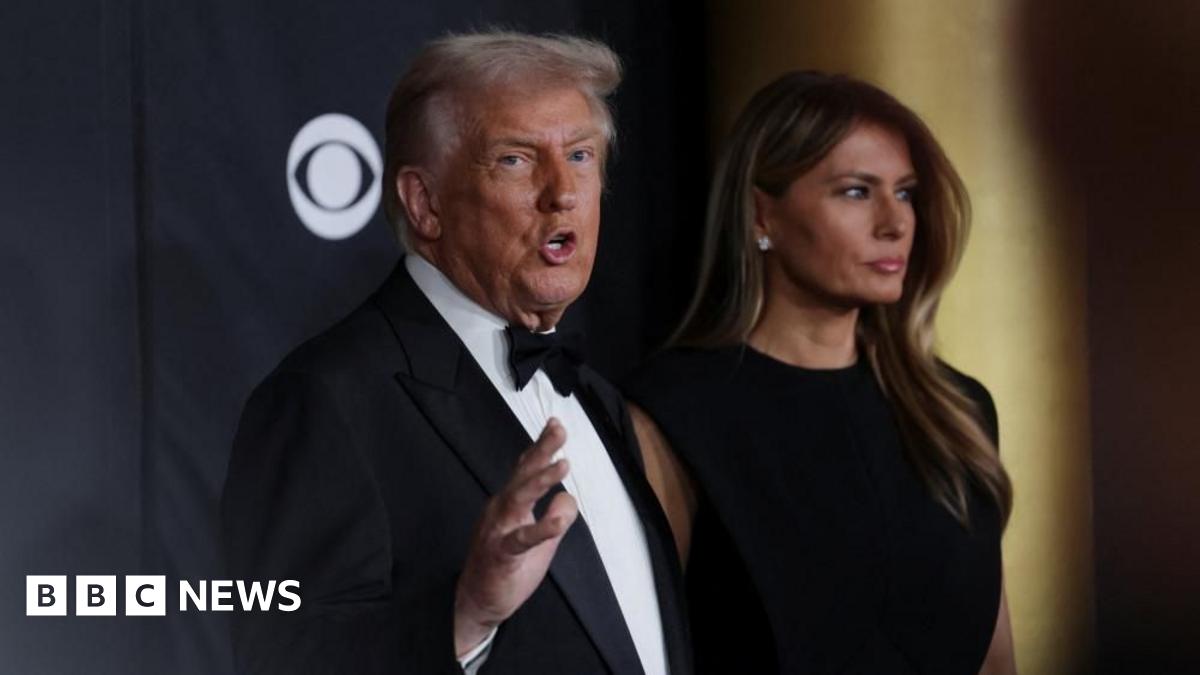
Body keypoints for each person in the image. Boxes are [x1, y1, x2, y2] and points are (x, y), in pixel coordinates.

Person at [221, 31, 690, 675]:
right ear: (425, 203)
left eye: (580, 155)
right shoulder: (326, 399)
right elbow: (281, 660)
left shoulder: (596, 398)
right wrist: (467, 613)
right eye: (516, 160)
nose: (563, 193)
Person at [623, 71, 1017, 674]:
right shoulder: (675, 413)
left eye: (906, 193)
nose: (895, 222)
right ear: (762, 215)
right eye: (857, 192)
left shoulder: (957, 411)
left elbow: (994, 663)